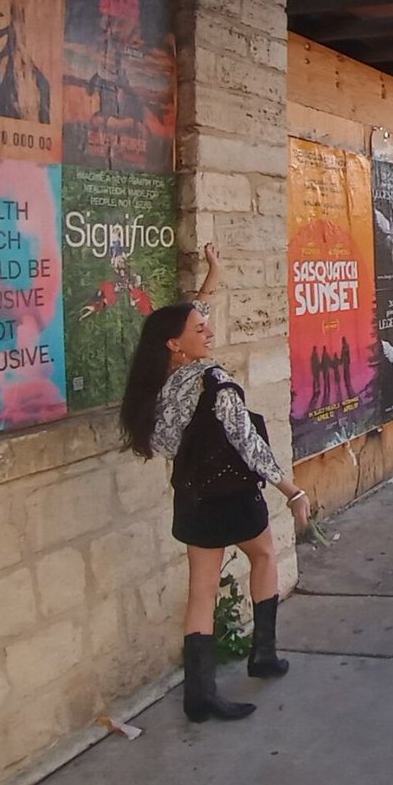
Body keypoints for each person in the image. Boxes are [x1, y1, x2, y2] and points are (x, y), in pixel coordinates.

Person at [119, 243, 311, 722]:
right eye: (199, 330)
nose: (209, 331)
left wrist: (214, 273)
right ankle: (262, 653)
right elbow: (248, 442)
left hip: (194, 499)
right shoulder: (214, 381)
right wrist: (293, 491)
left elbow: (187, 318)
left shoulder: (159, 383)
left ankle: (199, 694)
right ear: (176, 343)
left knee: (201, 590)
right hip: (234, 495)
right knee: (264, 555)